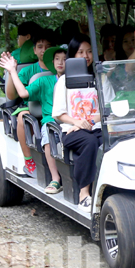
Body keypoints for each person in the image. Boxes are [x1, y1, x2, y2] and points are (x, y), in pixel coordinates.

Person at [0, 46, 65, 191]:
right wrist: (12, 71)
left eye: (65, 59)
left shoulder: (74, 81)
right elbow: (22, 93)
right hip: (52, 121)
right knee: (49, 135)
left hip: (71, 120)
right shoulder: (44, 81)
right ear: (52, 62)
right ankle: (55, 178)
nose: (61, 62)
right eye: (57, 59)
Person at [53, 37, 102, 207]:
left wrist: (88, 121)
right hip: (72, 130)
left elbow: (107, 108)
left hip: (97, 127)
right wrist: (78, 123)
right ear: (73, 55)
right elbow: (58, 114)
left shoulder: (100, 78)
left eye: (89, 51)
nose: (86, 56)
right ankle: (84, 192)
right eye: (80, 52)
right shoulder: (64, 81)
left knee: (109, 141)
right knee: (89, 142)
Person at [4, 32, 53, 174]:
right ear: (34, 50)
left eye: (48, 46)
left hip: (53, 106)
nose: (44, 50)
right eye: (40, 47)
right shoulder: (27, 71)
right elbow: (12, 95)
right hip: (31, 107)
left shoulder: (58, 66)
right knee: (22, 116)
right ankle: (29, 159)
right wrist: (11, 72)